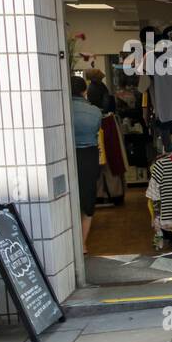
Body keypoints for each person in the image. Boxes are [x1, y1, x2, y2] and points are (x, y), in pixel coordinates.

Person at [70, 75, 103, 254]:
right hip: (89, 154)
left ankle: (71, 243)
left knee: (70, 198)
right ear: (84, 91)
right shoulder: (95, 111)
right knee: (88, 198)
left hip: (68, 154)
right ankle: (82, 244)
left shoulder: (63, 109)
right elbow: (97, 130)